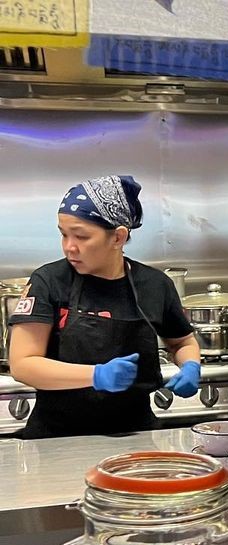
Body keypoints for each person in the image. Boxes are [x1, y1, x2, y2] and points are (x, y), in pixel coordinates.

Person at [8, 175, 201, 438]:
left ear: (118, 237)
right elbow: (23, 364)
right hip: (57, 438)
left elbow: (181, 342)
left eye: (81, 236)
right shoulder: (49, 281)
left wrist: (190, 366)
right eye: (63, 234)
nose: (69, 247)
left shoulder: (155, 285)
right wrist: (96, 375)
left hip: (136, 435)